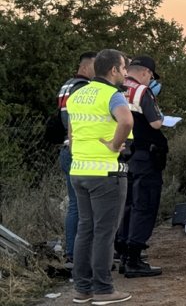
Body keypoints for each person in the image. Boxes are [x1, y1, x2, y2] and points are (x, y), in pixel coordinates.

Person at [67, 49, 134, 305]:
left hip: (79, 170)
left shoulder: (77, 93)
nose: (125, 73)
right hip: (106, 173)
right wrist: (115, 145)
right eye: (124, 68)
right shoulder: (112, 95)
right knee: (105, 232)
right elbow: (126, 122)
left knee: (85, 230)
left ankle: (82, 289)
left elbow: (71, 136)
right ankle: (104, 290)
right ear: (114, 70)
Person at [115, 55, 165, 278]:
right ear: (145, 72)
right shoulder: (142, 92)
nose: (150, 80)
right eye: (151, 76)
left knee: (127, 205)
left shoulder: (115, 89)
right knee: (144, 205)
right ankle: (135, 257)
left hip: (124, 154)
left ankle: (124, 253)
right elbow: (156, 122)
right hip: (146, 154)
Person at [56, 51, 96, 267]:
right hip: (77, 148)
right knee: (82, 206)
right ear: (87, 67)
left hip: (65, 148)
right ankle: (77, 254)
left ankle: (72, 252)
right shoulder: (83, 88)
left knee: (74, 204)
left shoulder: (66, 85)